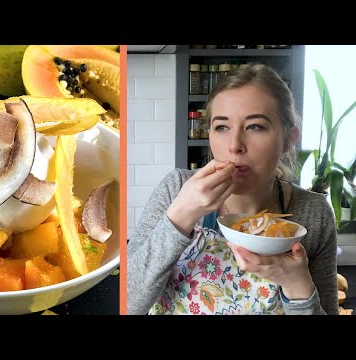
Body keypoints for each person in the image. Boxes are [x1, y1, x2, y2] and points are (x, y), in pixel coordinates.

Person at [127, 63, 339, 315]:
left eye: (255, 126)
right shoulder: (176, 188)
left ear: (289, 139)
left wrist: (298, 286)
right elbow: (127, 303)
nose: (235, 145)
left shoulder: (314, 214)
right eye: (222, 127)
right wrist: (180, 216)